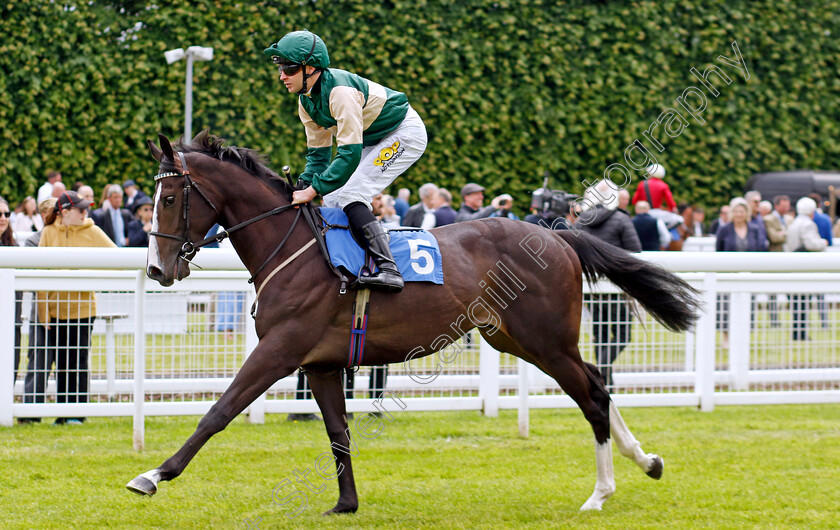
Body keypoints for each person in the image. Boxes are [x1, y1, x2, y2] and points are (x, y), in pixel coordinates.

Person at [265, 30, 427, 293]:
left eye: (290, 68)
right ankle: (350, 265)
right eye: (280, 68)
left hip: (403, 133)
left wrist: (313, 190)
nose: (282, 75)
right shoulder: (306, 102)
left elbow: (349, 154)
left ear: (312, 68)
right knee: (332, 198)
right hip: (372, 139)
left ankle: (389, 270)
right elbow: (318, 157)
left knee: (352, 193)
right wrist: (302, 184)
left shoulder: (339, 92)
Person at [37, 191, 116, 425]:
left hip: (84, 310)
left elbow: (117, 260)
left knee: (79, 361)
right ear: (64, 212)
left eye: (85, 209)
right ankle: (64, 413)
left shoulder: (93, 231)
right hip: (55, 311)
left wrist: (89, 276)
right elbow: (39, 274)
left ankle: (78, 414)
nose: (85, 213)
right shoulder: (49, 233)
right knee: (61, 362)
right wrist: (44, 315)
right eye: (80, 209)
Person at [574, 180, 641, 389]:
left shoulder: (581, 220)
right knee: (622, 334)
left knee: (600, 334)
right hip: (615, 287)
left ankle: (604, 380)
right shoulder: (621, 219)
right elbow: (635, 250)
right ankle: (602, 370)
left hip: (591, 287)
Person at [20, 199, 57, 423]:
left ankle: (69, 414)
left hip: (65, 313)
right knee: (38, 362)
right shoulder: (34, 240)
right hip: (41, 314)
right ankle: (30, 413)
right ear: (45, 216)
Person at [715, 197, 764, 348]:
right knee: (726, 306)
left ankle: (743, 338)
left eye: (742, 211)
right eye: (736, 211)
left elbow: (761, 248)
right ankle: (726, 337)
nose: (739, 214)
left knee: (748, 304)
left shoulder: (754, 229)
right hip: (728, 273)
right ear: (732, 213)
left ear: (746, 213)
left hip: (748, 273)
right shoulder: (724, 229)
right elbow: (718, 250)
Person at [785, 197, 828, 341]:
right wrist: (823, 242)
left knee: (797, 303)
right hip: (803, 267)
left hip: (793, 266)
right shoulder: (807, 224)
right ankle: (801, 334)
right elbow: (811, 244)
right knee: (803, 302)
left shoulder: (794, 223)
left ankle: (798, 333)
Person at [0, 199, 21, 383]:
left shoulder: (14, 247)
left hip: (12, 320)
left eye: (6, 214)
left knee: (10, 372)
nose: (3, 218)